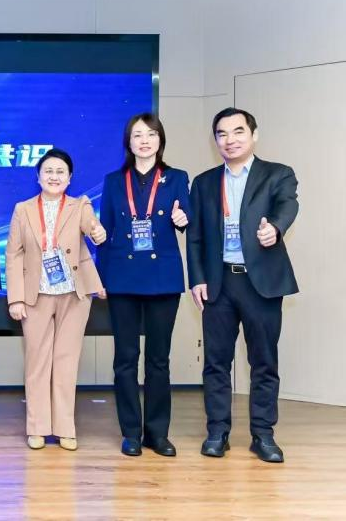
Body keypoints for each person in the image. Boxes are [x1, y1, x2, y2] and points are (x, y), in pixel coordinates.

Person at [187, 107, 299, 463]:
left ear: (254, 135)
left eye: (238, 131)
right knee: (216, 363)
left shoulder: (277, 174)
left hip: (260, 282)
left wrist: (275, 228)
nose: (230, 140)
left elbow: (287, 204)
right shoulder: (204, 182)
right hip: (218, 283)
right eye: (222, 134)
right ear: (215, 140)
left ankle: (263, 435)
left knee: (263, 362)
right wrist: (197, 279)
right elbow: (195, 236)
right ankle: (217, 432)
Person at [97, 113, 191, 457]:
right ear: (129, 142)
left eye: (151, 134)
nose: (145, 141)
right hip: (122, 277)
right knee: (125, 358)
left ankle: (157, 433)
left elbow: (187, 218)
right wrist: (100, 277)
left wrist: (184, 218)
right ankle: (131, 433)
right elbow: (105, 232)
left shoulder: (177, 178)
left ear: (160, 140)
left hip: (163, 278)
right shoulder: (113, 181)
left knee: (158, 359)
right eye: (137, 135)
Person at [5, 149, 106, 451]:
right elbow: (13, 255)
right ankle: (37, 428)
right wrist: (15, 299)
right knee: (37, 363)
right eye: (48, 171)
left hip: (73, 295)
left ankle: (65, 428)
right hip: (35, 296)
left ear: (69, 178)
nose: (54, 176)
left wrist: (97, 231)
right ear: (38, 177)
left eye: (60, 172)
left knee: (66, 362)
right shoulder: (23, 209)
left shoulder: (80, 205)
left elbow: (91, 226)